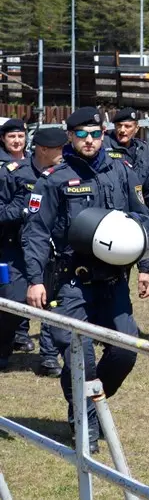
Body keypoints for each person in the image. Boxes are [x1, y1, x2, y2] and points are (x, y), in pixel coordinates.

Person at [22, 107, 149, 454]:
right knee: (82, 355)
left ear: (104, 134)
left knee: (126, 351)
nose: (90, 140)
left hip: (113, 283)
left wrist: (146, 266)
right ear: (70, 137)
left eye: (95, 133)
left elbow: (144, 221)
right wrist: (35, 280)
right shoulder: (54, 179)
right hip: (71, 284)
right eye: (81, 134)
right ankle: (86, 423)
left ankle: (91, 404)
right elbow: (35, 233)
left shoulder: (121, 172)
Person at [0, 127, 64, 375]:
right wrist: (22, 211)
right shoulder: (12, 174)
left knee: (54, 300)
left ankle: (49, 357)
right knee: (14, 302)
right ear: (43, 150)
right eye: (58, 149)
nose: (62, 154)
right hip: (15, 249)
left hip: (50, 248)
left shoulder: (63, 174)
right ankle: (3, 346)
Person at [103, 107, 149, 239]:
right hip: (110, 220)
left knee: (146, 258)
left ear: (136, 128)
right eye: (119, 126)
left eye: (127, 126)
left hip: (139, 219)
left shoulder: (142, 150)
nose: (122, 130)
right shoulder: (103, 147)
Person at [0, 118, 35, 354]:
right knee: (10, 289)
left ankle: (21, 333)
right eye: (12, 137)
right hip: (6, 237)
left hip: (31, 238)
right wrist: (23, 209)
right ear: (3, 139)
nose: (17, 141)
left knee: (28, 284)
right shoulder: (2, 166)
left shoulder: (34, 161)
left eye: (20, 136)